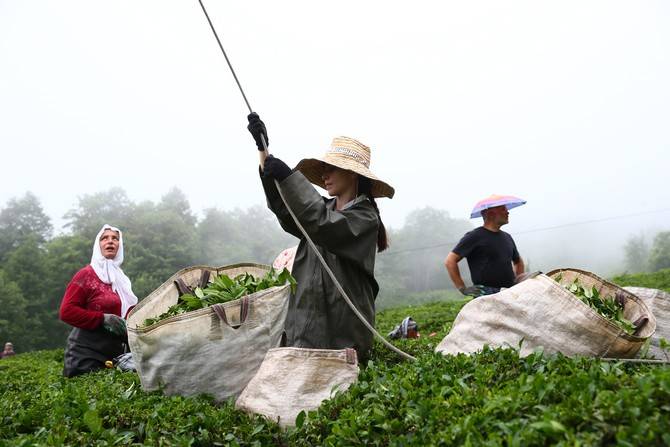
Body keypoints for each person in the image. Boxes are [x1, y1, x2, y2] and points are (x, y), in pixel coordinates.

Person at [247, 113, 394, 361]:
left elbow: (325, 225)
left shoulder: (365, 218)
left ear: (352, 174)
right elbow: (285, 209)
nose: (325, 175)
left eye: (332, 169)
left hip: (342, 332)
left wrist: (289, 177)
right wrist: (263, 151)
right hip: (305, 326)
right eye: (324, 169)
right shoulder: (319, 210)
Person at [59, 224, 138, 377]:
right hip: (86, 355)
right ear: (98, 244)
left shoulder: (123, 281)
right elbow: (66, 312)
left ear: (119, 246)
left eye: (115, 238)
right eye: (105, 238)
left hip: (114, 356)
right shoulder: (86, 275)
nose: (110, 241)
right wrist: (102, 319)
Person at [445, 205, 524, 297]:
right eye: (503, 209)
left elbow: (518, 261)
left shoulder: (507, 237)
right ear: (490, 214)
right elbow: (450, 261)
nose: (507, 212)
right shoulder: (474, 236)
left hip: (509, 293)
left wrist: (518, 283)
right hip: (486, 295)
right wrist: (462, 288)